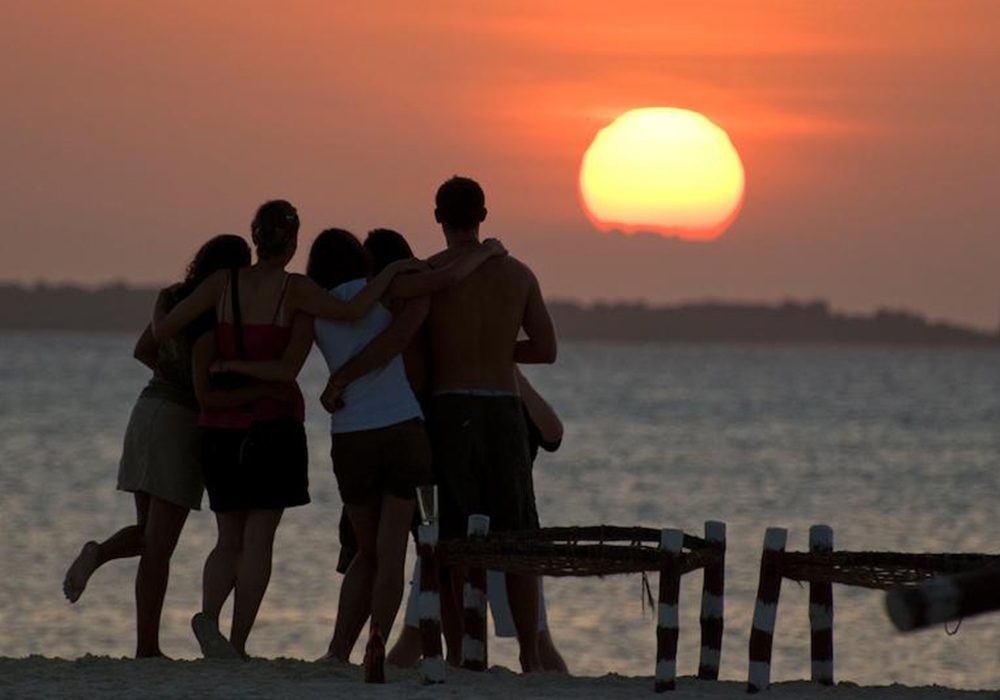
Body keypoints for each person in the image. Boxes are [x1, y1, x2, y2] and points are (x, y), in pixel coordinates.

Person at [305, 227, 506, 679]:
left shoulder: (313, 306)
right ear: (360, 259)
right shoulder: (387, 291)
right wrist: (487, 251)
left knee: (364, 552)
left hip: (351, 437)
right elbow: (447, 278)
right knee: (393, 550)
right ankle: (377, 639)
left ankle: (338, 650)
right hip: (404, 433)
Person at [62, 234, 254, 658]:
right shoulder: (211, 315)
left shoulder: (171, 298)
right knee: (159, 547)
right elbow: (205, 389)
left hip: (145, 410)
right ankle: (144, 642)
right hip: (179, 423)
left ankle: (142, 637)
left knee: (150, 537)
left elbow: (142, 349)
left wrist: (169, 374)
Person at [172, 200, 323, 660]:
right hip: (272, 427)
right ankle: (236, 643)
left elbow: (166, 328)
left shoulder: (222, 284)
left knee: (227, 537)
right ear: (294, 242)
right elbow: (349, 313)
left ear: (254, 238)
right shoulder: (295, 292)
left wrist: (166, 320)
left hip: (219, 429)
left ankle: (209, 619)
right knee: (260, 538)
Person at [424, 176, 557, 672]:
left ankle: (459, 654)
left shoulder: (431, 273)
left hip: (449, 408)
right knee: (518, 538)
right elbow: (546, 349)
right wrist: (502, 351)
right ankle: (529, 656)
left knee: (450, 540)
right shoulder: (518, 274)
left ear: (437, 216)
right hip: (503, 409)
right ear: (484, 215)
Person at [388, 366, 568, 673]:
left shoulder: (507, 391)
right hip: (456, 533)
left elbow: (553, 434)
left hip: (504, 532)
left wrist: (509, 371)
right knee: (417, 636)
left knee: (537, 642)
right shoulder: (451, 391)